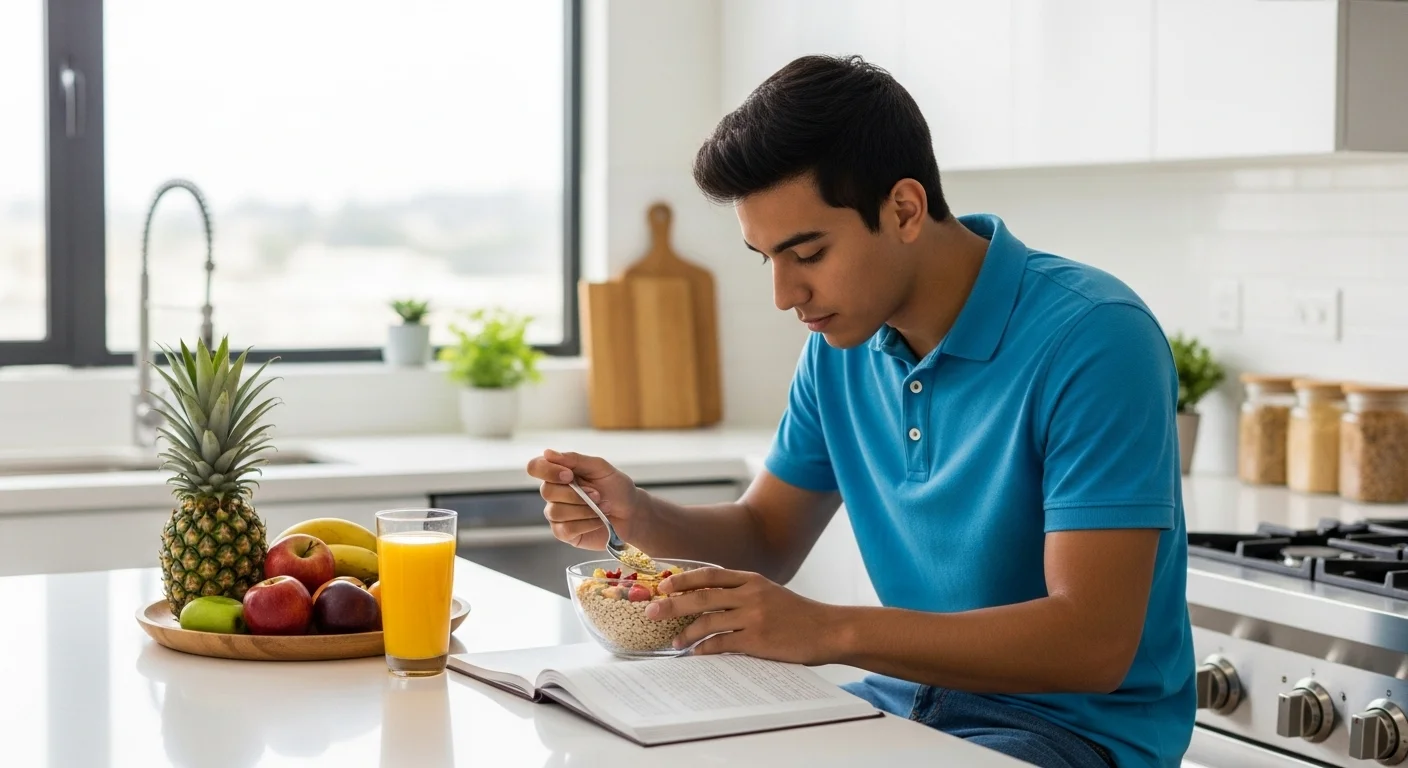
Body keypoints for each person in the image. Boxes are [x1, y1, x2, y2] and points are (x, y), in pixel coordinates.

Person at [527, 54, 1194, 768]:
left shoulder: (1093, 337)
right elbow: (765, 536)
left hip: (1067, 733)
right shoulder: (841, 346)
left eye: (807, 253)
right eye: (766, 259)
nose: (785, 295)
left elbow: (1090, 642)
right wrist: (638, 517)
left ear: (904, 209)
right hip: (903, 703)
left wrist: (828, 631)